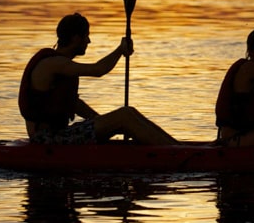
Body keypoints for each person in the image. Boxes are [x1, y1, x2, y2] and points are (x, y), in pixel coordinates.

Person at [19, 12, 175, 145]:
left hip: (59, 135)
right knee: (124, 116)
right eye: (86, 36)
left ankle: (175, 147)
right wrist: (120, 50)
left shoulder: (61, 65)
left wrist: (104, 122)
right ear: (75, 38)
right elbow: (98, 70)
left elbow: (73, 104)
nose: (88, 41)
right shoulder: (54, 64)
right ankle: (175, 152)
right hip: (48, 140)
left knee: (128, 113)